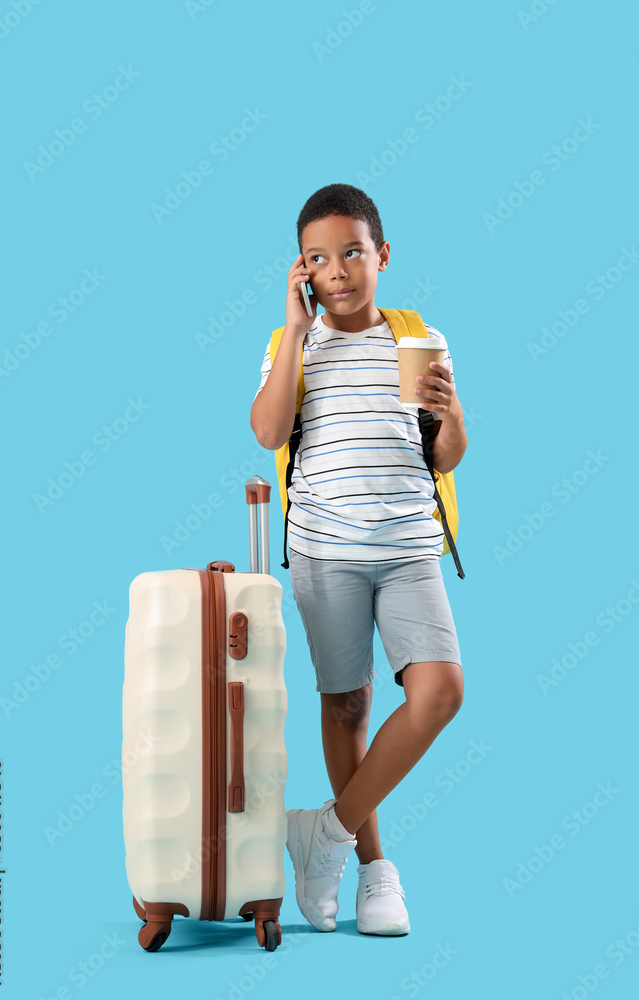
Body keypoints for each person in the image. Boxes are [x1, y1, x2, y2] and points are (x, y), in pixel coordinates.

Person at [250, 183, 466, 937]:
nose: (336, 269)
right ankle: (374, 869)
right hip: (325, 551)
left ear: (381, 254)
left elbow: (446, 453)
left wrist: (453, 411)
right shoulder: (293, 346)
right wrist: (293, 330)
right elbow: (268, 432)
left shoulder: (416, 336)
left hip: (409, 549)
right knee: (346, 704)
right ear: (302, 271)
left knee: (438, 692)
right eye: (317, 257)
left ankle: (326, 834)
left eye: (350, 251)